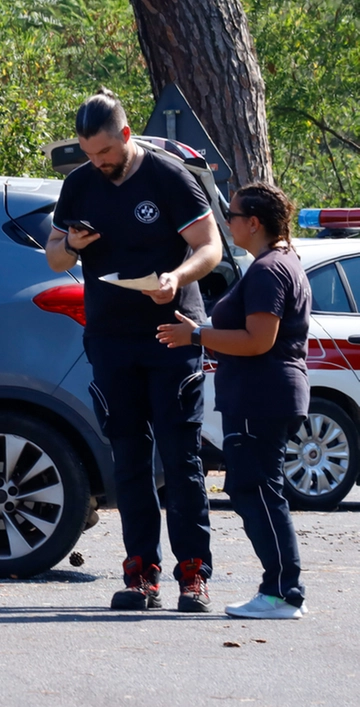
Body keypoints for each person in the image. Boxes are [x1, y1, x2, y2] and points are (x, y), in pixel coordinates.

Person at [45, 88, 224, 612]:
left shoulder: (170, 177)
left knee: (181, 457)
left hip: (172, 333)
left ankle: (193, 575)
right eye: (88, 154)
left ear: (125, 136)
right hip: (110, 338)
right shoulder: (78, 184)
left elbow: (210, 246)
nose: (97, 163)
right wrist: (72, 245)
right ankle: (140, 575)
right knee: (128, 458)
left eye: (104, 153)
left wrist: (177, 276)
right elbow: (54, 258)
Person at [156, 183, 309, 619]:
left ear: (254, 223)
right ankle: (281, 588)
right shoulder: (275, 264)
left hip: (263, 396)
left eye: (234, 214)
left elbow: (259, 340)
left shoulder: (269, 271)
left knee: (257, 491)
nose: (228, 221)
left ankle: (282, 592)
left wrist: (198, 335)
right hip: (263, 395)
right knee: (255, 489)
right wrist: (200, 329)